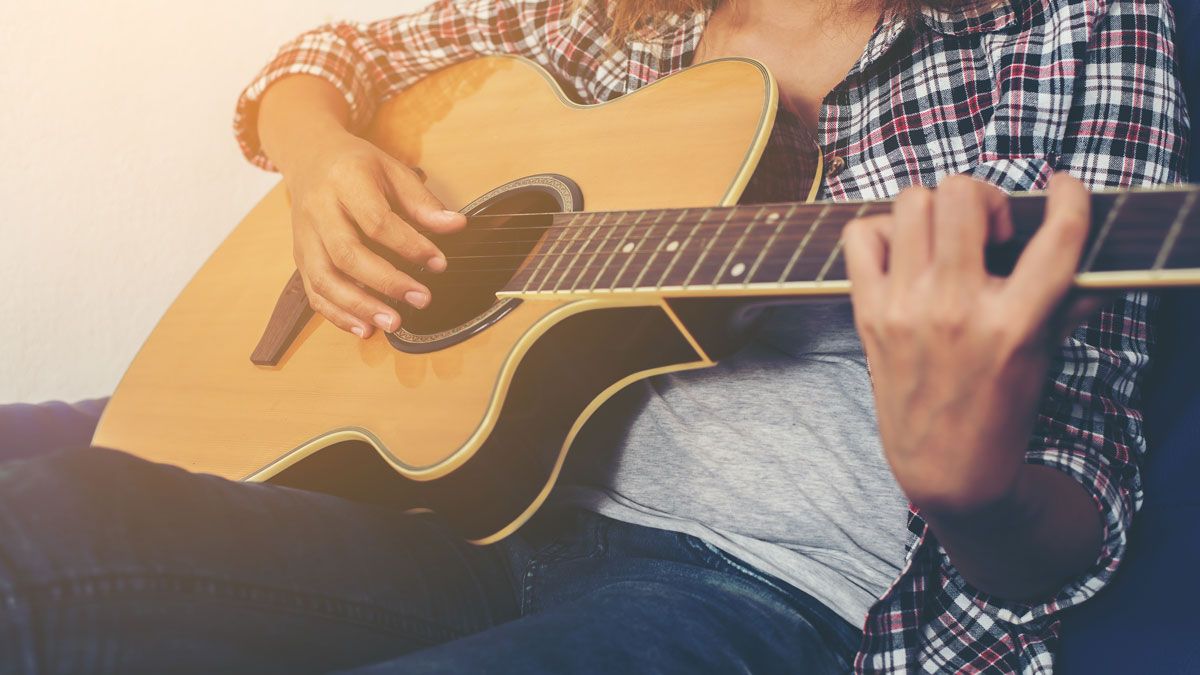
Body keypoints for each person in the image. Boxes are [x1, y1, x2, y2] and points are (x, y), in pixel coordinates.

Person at [0, 0, 1186, 672]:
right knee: (39, 529)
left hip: (760, 589)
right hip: (472, 519)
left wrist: (969, 493)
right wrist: (319, 157)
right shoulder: (619, 19)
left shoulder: (1076, 26)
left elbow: (1080, 501)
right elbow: (333, 59)